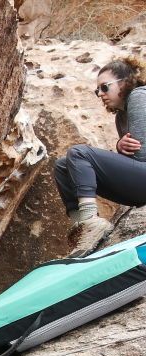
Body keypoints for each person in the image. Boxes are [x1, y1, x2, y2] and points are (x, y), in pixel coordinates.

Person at [53, 56, 146, 257]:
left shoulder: (139, 96)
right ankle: (83, 227)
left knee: (79, 153)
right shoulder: (121, 116)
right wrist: (120, 147)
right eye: (98, 91)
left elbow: (142, 153)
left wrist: (123, 152)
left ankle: (91, 221)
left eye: (105, 87)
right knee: (62, 165)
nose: (100, 94)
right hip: (141, 182)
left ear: (124, 82)